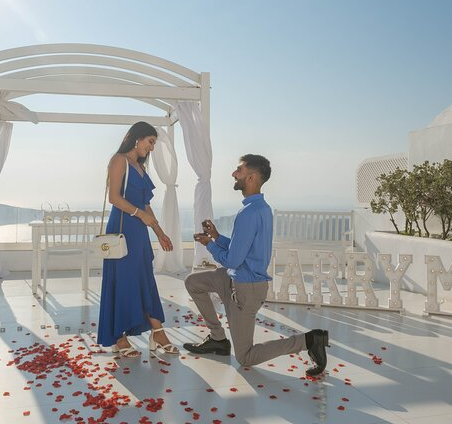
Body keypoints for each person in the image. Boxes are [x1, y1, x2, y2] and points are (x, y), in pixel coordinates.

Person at [186, 154, 330, 376]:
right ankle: (217, 339)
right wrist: (215, 236)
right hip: (233, 278)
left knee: (245, 357)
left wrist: (210, 245)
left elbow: (233, 259)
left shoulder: (248, 213)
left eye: (239, 170)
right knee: (193, 282)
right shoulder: (261, 208)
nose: (234, 174)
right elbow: (241, 248)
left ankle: (309, 340)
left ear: (251, 177)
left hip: (245, 288)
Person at [97, 121, 178, 357]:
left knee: (145, 281)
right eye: (150, 142)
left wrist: (160, 233)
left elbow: (146, 205)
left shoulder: (140, 168)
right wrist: (139, 214)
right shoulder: (119, 160)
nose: (151, 148)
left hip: (139, 232)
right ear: (137, 138)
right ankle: (118, 337)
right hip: (122, 230)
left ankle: (158, 332)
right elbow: (114, 197)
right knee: (122, 281)